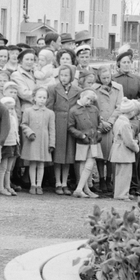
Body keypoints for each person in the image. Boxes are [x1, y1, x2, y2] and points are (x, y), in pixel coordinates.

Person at [49, 65, 81, 195]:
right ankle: (57, 182)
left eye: (66, 75)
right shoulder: (53, 89)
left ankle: (64, 183)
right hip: (57, 122)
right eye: (61, 75)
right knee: (58, 153)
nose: (63, 78)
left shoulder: (77, 90)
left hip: (70, 123)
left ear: (71, 77)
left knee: (69, 153)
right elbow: (50, 106)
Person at [68, 89, 102, 199]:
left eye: (91, 100)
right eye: (88, 98)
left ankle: (80, 189)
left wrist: (99, 132)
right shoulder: (73, 110)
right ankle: (83, 189)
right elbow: (70, 127)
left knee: (90, 163)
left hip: (94, 140)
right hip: (82, 140)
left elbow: (99, 123)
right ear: (81, 96)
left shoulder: (94, 109)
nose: (89, 102)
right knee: (83, 164)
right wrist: (81, 135)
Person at [21, 86, 55, 195]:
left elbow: (52, 129)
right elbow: (24, 124)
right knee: (33, 163)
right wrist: (29, 132)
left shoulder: (50, 113)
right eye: (39, 97)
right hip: (32, 140)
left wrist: (51, 143)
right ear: (34, 98)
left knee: (41, 163)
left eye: (44, 97)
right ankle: (33, 184)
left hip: (44, 141)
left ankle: (39, 185)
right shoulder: (28, 111)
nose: (42, 99)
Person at [109, 99, 140, 200]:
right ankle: (121, 195)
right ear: (131, 112)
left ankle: (121, 193)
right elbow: (128, 141)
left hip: (117, 150)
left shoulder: (118, 121)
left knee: (119, 174)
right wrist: (136, 148)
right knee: (125, 174)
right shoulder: (126, 124)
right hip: (124, 152)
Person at [0, 95, 20, 196]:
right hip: (5, 144)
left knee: (9, 169)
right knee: (3, 167)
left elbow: (15, 130)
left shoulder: (13, 118)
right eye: (8, 108)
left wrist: (17, 141)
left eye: (12, 108)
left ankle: (7, 186)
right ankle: (0, 187)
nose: (10, 111)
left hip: (13, 143)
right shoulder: (2, 118)